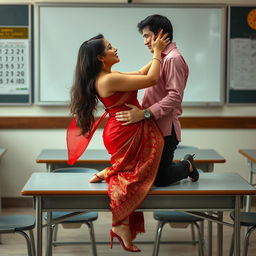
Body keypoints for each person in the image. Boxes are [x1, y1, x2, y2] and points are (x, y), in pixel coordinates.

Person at [66, 33, 170, 252]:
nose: (115, 49)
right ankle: (119, 222)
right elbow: (151, 79)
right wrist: (159, 52)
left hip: (122, 129)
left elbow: (143, 73)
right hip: (124, 131)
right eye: (110, 47)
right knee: (134, 174)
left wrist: (155, 53)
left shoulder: (109, 75)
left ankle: (110, 174)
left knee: (134, 169)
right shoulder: (109, 79)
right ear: (100, 58)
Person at [115, 14, 199, 186]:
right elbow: (140, 74)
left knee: (160, 178)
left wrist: (145, 113)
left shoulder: (173, 59)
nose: (145, 41)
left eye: (146, 36)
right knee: (146, 174)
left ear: (159, 33)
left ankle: (187, 164)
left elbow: (175, 97)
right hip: (152, 126)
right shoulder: (161, 57)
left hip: (165, 130)